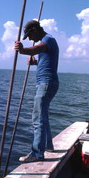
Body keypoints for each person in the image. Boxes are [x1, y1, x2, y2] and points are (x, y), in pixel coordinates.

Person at [14, 20, 59, 162]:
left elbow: (36, 49)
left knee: (37, 117)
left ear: (34, 29)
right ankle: (48, 146)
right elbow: (45, 59)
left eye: (29, 35)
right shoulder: (47, 42)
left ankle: (37, 154)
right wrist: (35, 62)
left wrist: (23, 50)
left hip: (46, 83)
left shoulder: (48, 39)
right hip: (47, 83)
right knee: (42, 115)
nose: (30, 39)